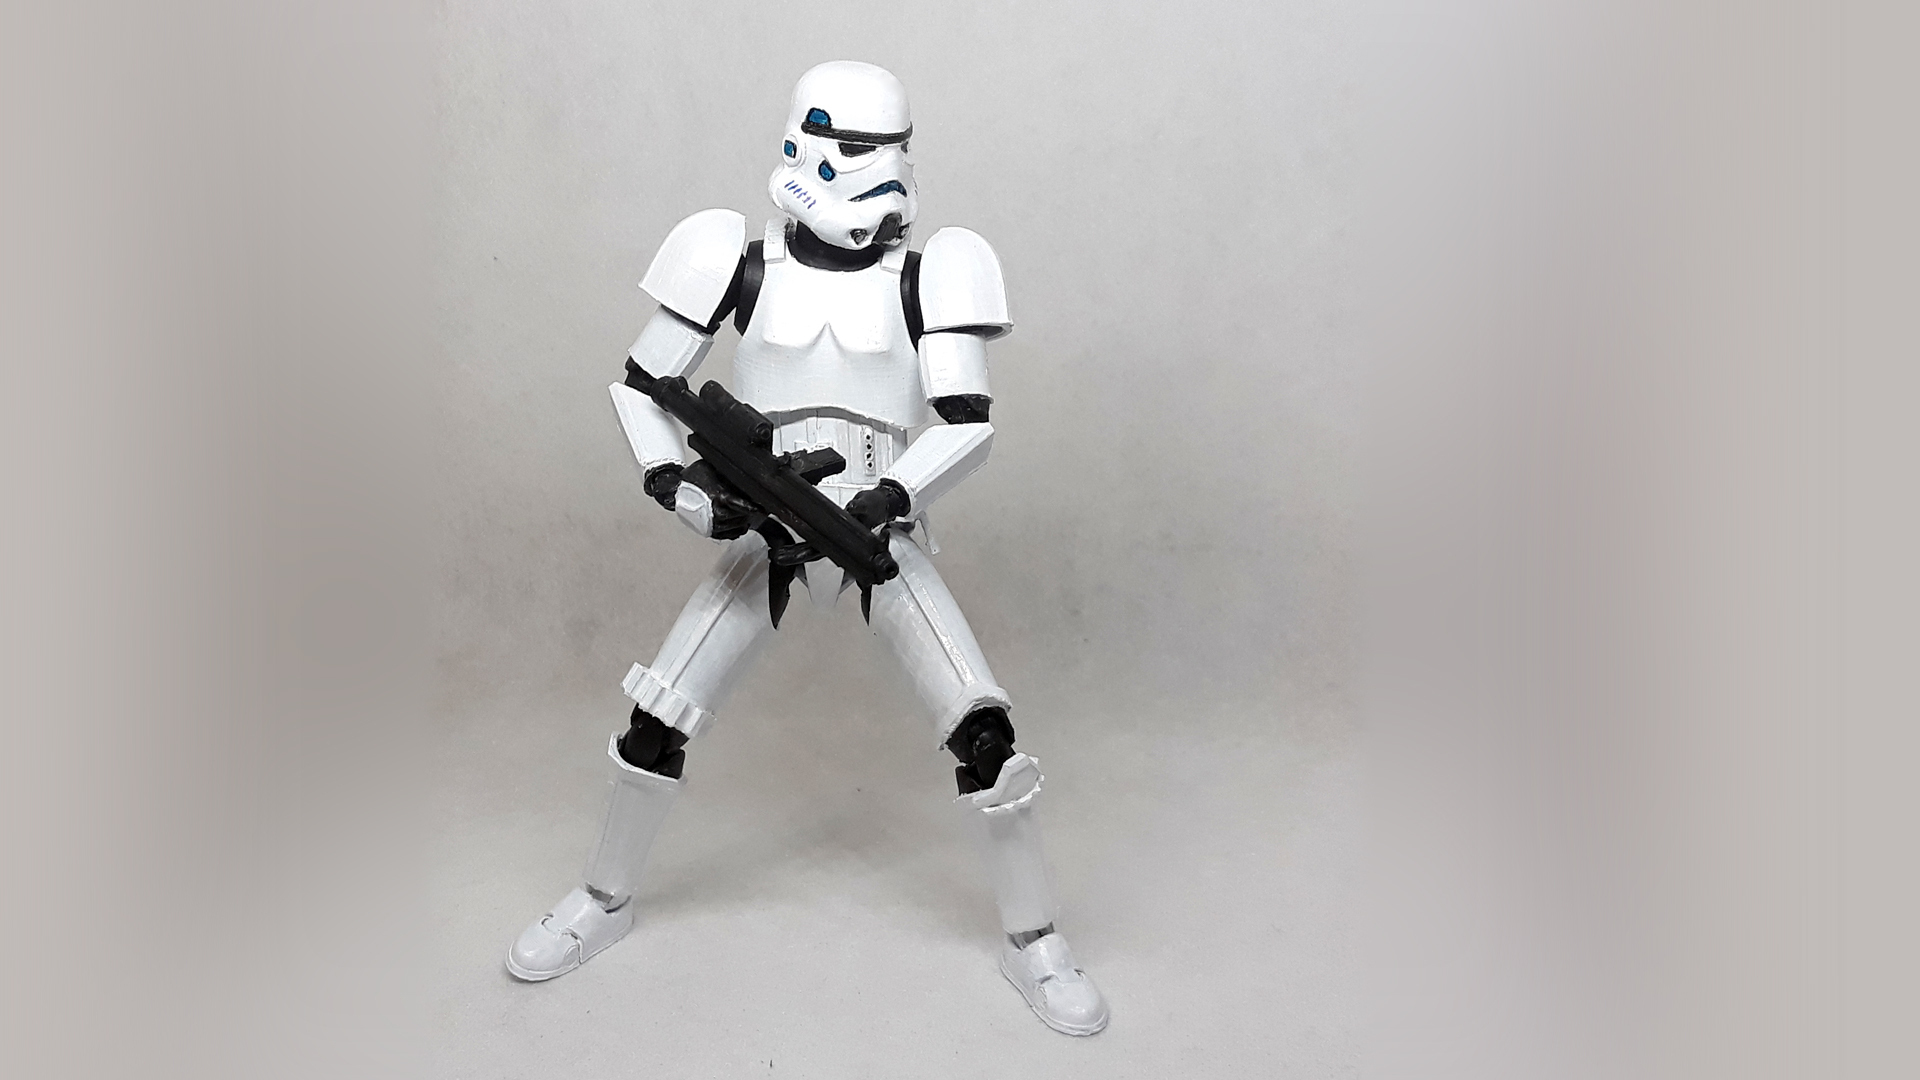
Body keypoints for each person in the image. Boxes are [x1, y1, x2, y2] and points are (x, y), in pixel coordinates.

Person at [505, 60, 1109, 1037]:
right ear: (807, 144)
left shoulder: (931, 273)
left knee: (985, 737)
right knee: (657, 716)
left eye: (891, 148)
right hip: (767, 528)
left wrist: (894, 493)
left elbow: (966, 422)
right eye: (858, 147)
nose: (878, 169)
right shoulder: (731, 259)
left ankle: (1034, 940)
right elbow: (641, 386)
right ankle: (602, 900)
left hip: (877, 529)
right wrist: (682, 487)